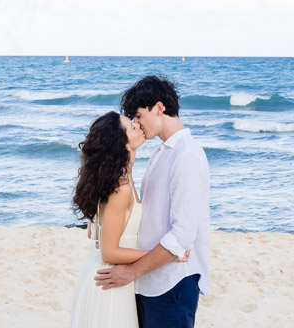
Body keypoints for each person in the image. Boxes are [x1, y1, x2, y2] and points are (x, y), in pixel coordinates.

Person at [96, 75, 210, 328]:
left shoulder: (186, 155)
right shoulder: (161, 153)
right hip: (148, 282)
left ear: (159, 108)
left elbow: (182, 234)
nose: (137, 123)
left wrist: (132, 271)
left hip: (172, 284)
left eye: (138, 115)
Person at [68, 111, 150, 327]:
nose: (138, 126)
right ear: (121, 144)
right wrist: (159, 255)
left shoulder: (118, 179)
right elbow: (109, 251)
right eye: (131, 127)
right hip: (108, 281)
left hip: (105, 275)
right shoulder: (120, 188)